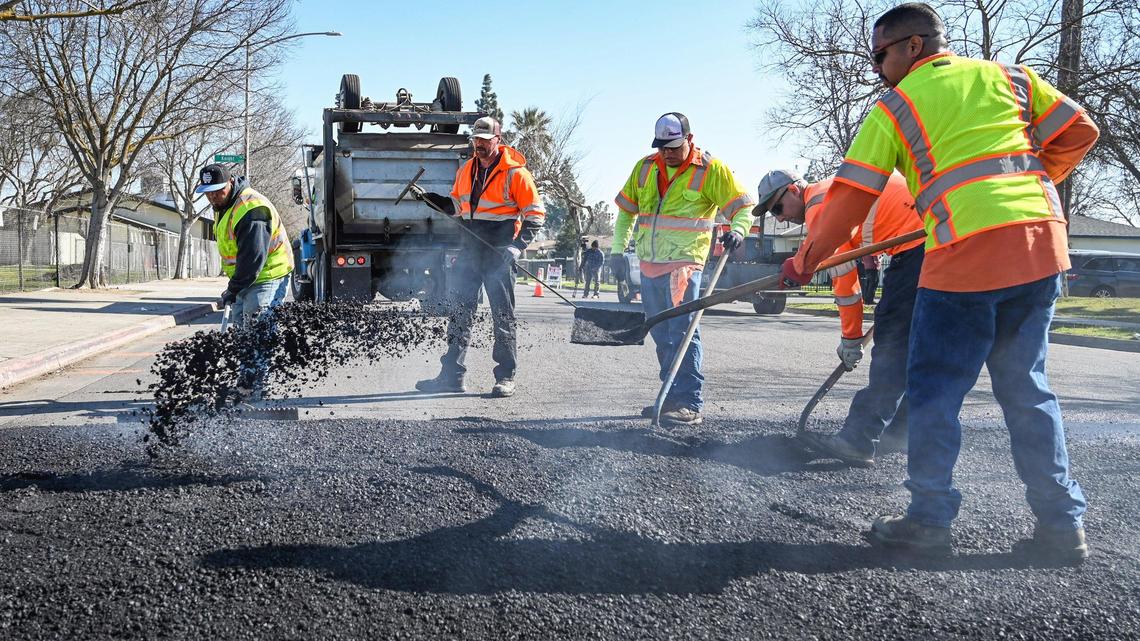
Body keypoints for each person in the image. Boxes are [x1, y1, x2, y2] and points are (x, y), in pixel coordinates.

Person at [780, 3, 1098, 561]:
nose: (877, 67)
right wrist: (1029, 187)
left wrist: (805, 260)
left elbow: (848, 198)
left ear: (914, 46)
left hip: (965, 252)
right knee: (1027, 389)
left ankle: (928, 522)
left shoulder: (896, 107)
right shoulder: (1012, 77)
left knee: (934, 394)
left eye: (880, 54)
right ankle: (1061, 528)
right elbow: (1080, 130)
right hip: (1040, 244)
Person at [759, 169, 924, 466]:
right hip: (934, 241)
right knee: (916, 346)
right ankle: (902, 433)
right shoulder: (831, 191)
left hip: (918, 247)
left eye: (777, 208)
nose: (780, 218)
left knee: (892, 347)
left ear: (794, 191)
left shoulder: (820, 207)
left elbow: (845, 284)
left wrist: (851, 338)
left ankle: (858, 441)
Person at [611, 112, 755, 426]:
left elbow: (743, 206)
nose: (668, 152)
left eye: (674, 146)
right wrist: (617, 250)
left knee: (684, 333)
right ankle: (670, 396)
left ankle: (690, 402)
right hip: (650, 265)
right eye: (663, 147)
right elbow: (626, 212)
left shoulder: (710, 170)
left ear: (689, 139)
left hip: (685, 266)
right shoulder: (645, 167)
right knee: (662, 335)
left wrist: (739, 230)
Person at [413, 116, 545, 398]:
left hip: (500, 251)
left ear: (498, 140)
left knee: (502, 315)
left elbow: (535, 214)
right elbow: (458, 207)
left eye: (486, 140)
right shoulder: (466, 170)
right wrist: (432, 199)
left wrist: (517, 247)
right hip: (470, 248)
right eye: (476, 140)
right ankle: (451, 376)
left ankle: (506, 376)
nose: (480, 145)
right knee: (460, 312)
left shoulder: (516, 173)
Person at [195, 163, 293, 398]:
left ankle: (256, 388)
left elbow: (253, 259)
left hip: (268, 274)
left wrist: (233, 288)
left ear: (230, 183)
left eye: (217, 190)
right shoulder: (223, 204)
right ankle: (246, 381)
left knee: (257, 329)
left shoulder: (251, 208)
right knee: (242, 328)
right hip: (246, 277)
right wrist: (235, 287)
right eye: (208, 192)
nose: (212, 196)